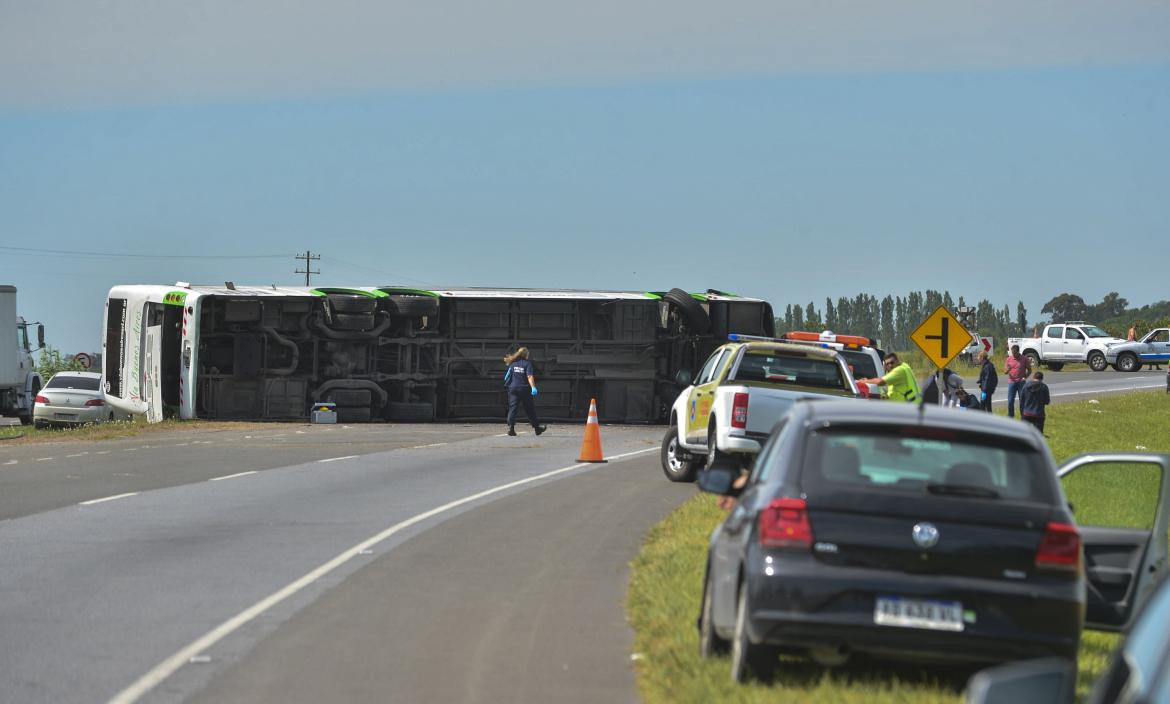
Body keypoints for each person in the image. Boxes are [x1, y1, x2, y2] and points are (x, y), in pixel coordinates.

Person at [502, 347, 546, 437]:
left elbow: (506, 377)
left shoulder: (513, 364)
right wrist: (533, 387)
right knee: (530, 409)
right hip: (524, 389)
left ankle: (511, 429)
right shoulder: (527, 364)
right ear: (526, 355)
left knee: (513, 408)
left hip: (513, 389)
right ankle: (537, 429)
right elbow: (529, 377)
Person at [1004, 344, 1029, 418]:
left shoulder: (1024, 359)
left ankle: (1023, 417)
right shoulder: (1009, 359)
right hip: (1012, 382)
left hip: (1021, 382)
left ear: (1018, 352)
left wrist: (1025, 377)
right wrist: (1008, 369)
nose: (1013, 354)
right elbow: (1005, 372)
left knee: (1022, 401)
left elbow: (1029, 370)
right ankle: (1010, 417)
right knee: (1010, 401)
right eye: (1012, 353)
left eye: (1015, 353)